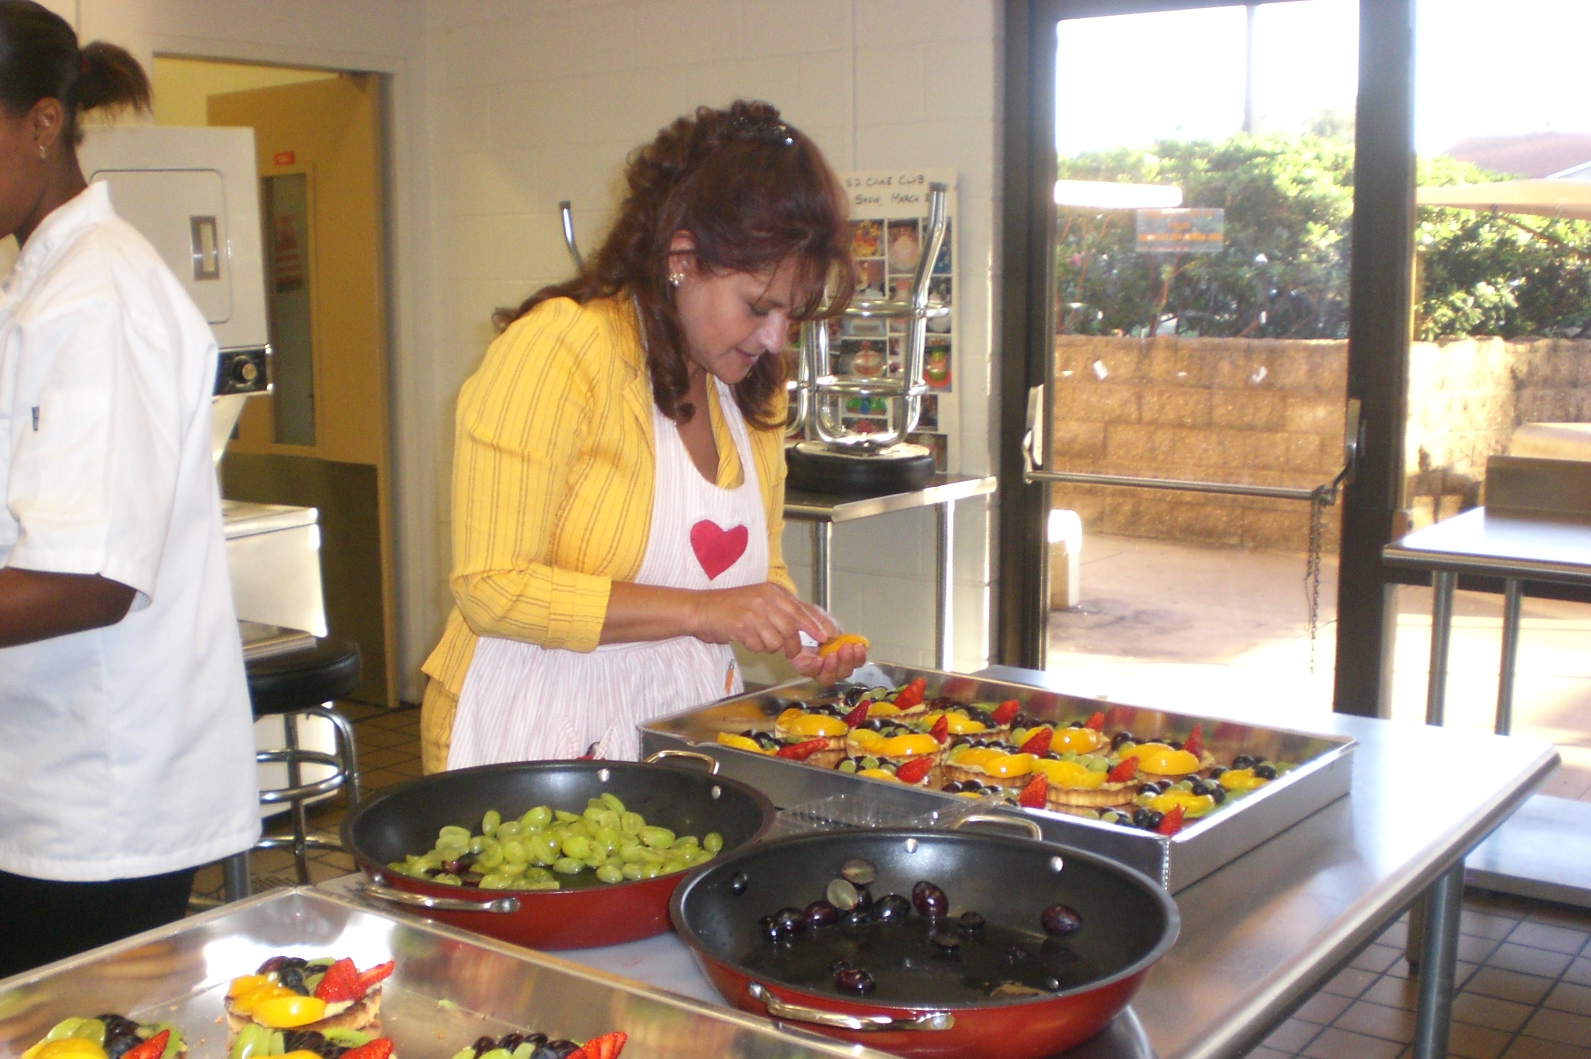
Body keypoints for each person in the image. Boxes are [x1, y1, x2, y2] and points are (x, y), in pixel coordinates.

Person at [421, 100, 867, 772]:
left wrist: (786, 622)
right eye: (758, 305)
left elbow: (752, 569)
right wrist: (700, 611)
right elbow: (492, 586)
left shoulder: (750, 387)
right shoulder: (560, 350)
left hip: (679, 729)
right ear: (680, 258)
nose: (776, 338)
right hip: (533, 728)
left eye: (792, 313)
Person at [0, 0, 259, 975]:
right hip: (47, 781)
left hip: (97, 810)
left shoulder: (98, 297)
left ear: (41, 124)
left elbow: (89, 579)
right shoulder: (37, 288)